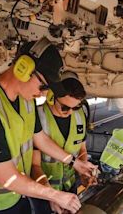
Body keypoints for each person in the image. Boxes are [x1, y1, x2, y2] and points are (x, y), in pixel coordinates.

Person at [0, 37, 97, 214]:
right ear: (23, 68)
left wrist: (75, 163)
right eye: (43, 85)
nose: (43, 93)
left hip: (18, 194)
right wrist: (54, 195)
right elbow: (6, 177)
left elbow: (41, 139)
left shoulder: (26, 101)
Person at [31, 72, 92, 213]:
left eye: (75, 107)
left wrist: (83, 173)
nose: (70, 112)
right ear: (52, 97)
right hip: (44, 192)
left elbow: (82, 149)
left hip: (70, 188)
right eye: (65, 107)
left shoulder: (80, 116)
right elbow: (34, 165)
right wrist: (52, 196)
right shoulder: (37, 117)